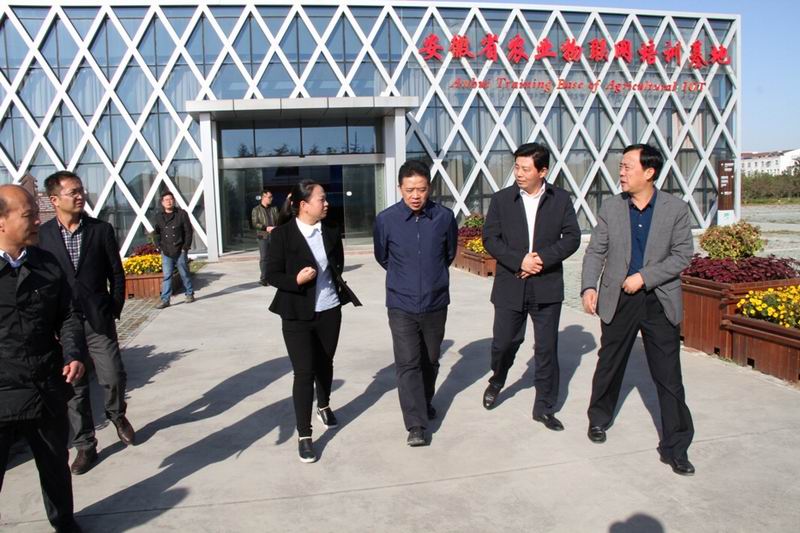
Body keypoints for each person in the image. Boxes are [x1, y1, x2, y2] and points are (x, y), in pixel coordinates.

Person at [581, 143, 696, 476]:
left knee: (668, 375)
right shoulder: (611, 207)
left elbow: (682, 256)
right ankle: (598, 419)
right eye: (621, 166)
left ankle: (676, 446)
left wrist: (644, 277)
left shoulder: (676, 209)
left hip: (659, 299)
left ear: (649, 172)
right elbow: (595, 251)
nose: (621, 172)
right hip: (619, 298)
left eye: (628, 167)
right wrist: (589, 286)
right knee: (610, 363)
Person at [0, 184, 85, 532]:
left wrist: (73, 352)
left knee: (55, 467)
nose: (38, 220)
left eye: (36, 213)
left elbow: (68, 315)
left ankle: (64, 523)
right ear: (1, 221)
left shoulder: (46, 264)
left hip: (46, 387)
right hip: (3, 393)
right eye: (28, 215)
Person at [38, 171, 135, 476]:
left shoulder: (100, 230)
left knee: (113, 374)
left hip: (98, 318)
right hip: (63, 325)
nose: (80, 196)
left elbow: (116, 273)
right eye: (73, 192)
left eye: (81, 190)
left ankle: (117, 414)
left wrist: (113, 307)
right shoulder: (42, 237)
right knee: (75, 387)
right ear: (55, 200)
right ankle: (85, 445)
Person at [481, 142, 581, 431]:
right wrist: (520, 261)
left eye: (525, 169)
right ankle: (497, 379)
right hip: (510, 284)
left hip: (546, 286)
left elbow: (572, 238)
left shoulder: (560, 199)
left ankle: (544, 407)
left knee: (547, 349)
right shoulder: (502, 200)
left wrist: (542, 259)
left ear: (543, 171)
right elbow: (490, 239)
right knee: (504, 343)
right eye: (517, 167)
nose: (519, 173)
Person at [267, 180, 360, 463]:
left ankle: (324, 405)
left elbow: (337, 265)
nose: (327, 203)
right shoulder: (282, 235)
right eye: (321, 199)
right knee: (304, 373)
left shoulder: (330, 230)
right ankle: (304, 436)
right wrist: (295, 280)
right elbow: (271, 274)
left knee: (325, 363)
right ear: (304, 205)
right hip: (296, 313)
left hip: (330, 310)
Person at [373, 160, 458, 447]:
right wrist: (406, 278)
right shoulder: (386, 220)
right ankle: (416, 424)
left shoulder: (444, 217)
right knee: (408, 363)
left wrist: (432, 279)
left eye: (421, 189)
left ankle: (423, 401)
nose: (415, 196)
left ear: (429, 188)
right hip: (401, 302)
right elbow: (383, 256)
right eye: (409, 190)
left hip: (436, 302)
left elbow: (449, 253)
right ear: (400, 188)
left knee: (430, 360)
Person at [153, 190, 194, 309]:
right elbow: (156, 233)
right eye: (166, 200)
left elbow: (188, 231)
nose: (169, 202)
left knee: (184, 273)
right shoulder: (158, 216)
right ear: (162, 202)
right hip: (166, 251)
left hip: (180, 249)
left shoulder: (182, 214)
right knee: (167, 276)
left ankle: (189, 293)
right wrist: (159, 246)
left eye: (171, 199)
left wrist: (185, 247)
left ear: (174, 201)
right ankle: (165, 300)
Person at [251, 188, 279, 286]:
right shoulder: (256, 210)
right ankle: (264, 278)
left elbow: (279, 220)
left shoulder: (274, 209)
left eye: (271, 197)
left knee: (274, 257)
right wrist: (266, 228)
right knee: (264, 258)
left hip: (274, 235)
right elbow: (255, 223)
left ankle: (273, 276)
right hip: (262, 236)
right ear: (263, 197)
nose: (271, 199)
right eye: (269, 197)